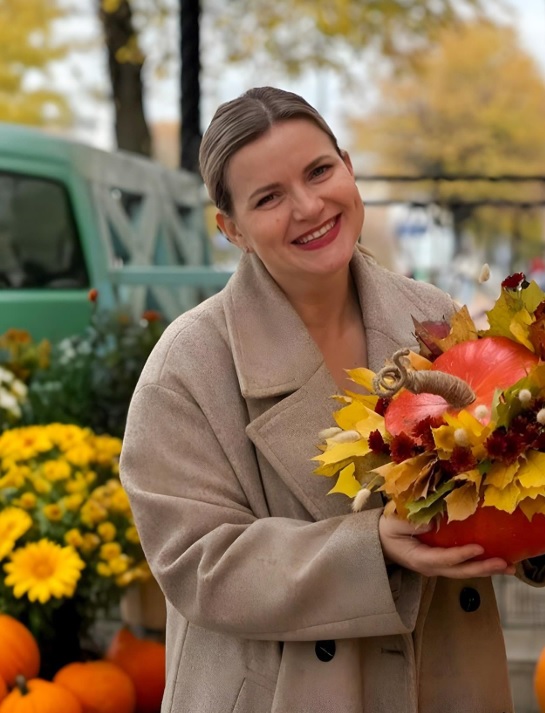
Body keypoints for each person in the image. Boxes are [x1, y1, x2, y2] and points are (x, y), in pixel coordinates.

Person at [120, 86, 543, 713]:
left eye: (320, 171)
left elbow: (494, 493)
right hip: (280, 693)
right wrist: (367, 547)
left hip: (444, 677)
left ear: (347, 165)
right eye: (269, 198)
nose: (309, 206)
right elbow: (196, 563)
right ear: (230, 228)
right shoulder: (188, 367)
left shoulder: (435, 318)